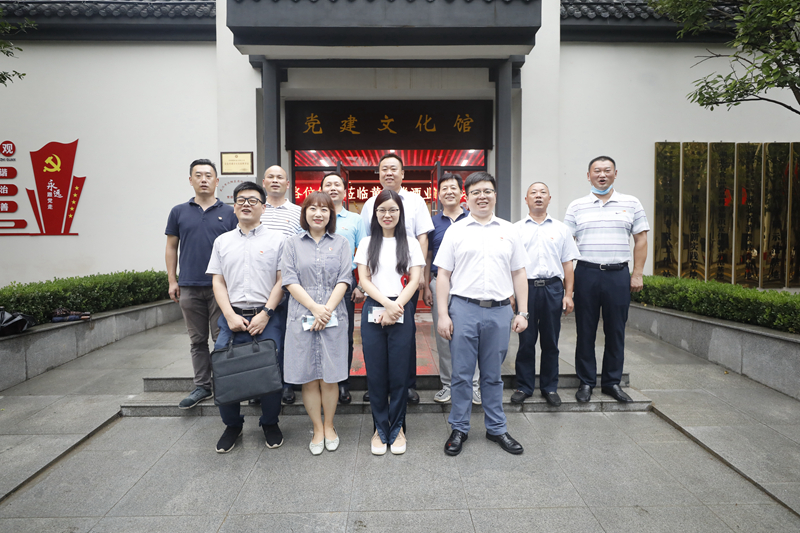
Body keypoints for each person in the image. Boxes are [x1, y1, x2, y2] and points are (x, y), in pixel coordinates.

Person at [435, 171, 529, 456]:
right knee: (462, 374)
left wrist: (523, 312)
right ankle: (459, 427)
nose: (482, 196)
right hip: (463, 309)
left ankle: (496, 428)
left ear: (495, 195)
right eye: (476, 192)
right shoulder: (456, 231)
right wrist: (443, 314)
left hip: (500, 311)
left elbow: (519, 272)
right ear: (467, 197)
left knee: (493, 375)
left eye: (487, 191)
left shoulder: (509, 230)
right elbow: (443, 274)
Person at [206, 181, 286, 453]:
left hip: (267, 317)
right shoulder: (222, 241)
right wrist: (229, 315)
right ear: (234, 206)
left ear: (263, 207)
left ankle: (270, 422)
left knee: (270, 370)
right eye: (241, 200)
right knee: (225, 370)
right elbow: (218, 281)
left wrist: (266, 313)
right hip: (232, 317)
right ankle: (232, 425)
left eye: (253, 200)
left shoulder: (278, 240)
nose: (246, 204)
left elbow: (281, 280)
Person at [564, 156, 649, 403]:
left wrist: (637, 273)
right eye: (597, 171)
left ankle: (612, 382)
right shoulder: (577, 206)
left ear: (615, 173)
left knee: (616, 330)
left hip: (617, 274)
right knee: (585, 330)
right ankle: (586, 382)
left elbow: (641, 239)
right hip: (586, 273)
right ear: (588, 175)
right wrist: (568, 286)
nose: (602, 175)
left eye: (607, 170)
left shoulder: (631, 203)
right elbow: (566, 246)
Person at [355, 190, 425, 455]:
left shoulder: (411, 243)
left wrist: (396, 307)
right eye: (382, 210)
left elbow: (415, 279)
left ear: (400, 213)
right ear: (375, 214)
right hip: (375, 306)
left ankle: (397, 429)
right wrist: (387, 304)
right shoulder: (367, 243)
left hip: (401, 306)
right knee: (376, 374)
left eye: (393, 210)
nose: (387, 215)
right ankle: (379, 429)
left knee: (399, 373)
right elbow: (364, 280)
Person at [281, 191, 352, 455]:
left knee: (330, 377)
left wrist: (327, 310)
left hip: (333, 316)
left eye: (324, 209)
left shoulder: (342, 243)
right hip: (302, 315)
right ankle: (317, 428)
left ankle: (330, 425)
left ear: (331, 214)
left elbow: (345, 279)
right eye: (312, 208)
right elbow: (289, 280)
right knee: (309, 377)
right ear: (305, 213)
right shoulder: (292, 244)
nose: (318, 213)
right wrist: (314, 308)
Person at [360, 154, 434, 404]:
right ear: (379, 174)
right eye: (384, 169)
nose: (389, 173)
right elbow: (367, 239)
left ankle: (407, 385)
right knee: (375, 339)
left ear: (403, 173)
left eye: (394, 169)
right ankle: (377, 386)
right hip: (378, 281)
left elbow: (422, 237)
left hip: (406, 279)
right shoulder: (370, 203)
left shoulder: (415, 200)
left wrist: (419, 274)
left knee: (404, 334)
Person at [165, 159, 237, 410]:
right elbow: (171, 247)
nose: (203, 179)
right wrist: (172, 280)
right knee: (197, 340)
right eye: (198, 175)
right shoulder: (178, 211)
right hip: (189, 286)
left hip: (221, 287)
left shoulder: (230, 213)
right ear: (191, 180)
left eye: (208, 175)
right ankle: (202, 386)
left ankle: (225, 385)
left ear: (217, 181)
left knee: (221, 339)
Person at [510, 182, 580, 407]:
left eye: (542, 193)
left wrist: (568, 294)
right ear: (526, 199)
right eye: (533, 193)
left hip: (552, 288)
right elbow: (510, 265)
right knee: (526, 340)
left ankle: (550, 387)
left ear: (549, 198)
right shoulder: (515, 229)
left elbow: (567, 264)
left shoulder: (561, 229)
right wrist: (511, 294)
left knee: (551, 341)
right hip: (526, 289)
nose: (538, 196)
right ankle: (524, 386)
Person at [421, 173, 480, 405]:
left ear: (461, 192)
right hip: (439, 282)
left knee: (471, 335)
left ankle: (474, 385)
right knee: (443, 335)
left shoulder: (473, 219)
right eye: (444, 188)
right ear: (438, 195)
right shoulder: (432, 223)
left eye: (453, 187)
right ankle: (448, 384)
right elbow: (428, 256)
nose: (449, 192)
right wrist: (426, 285)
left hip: (469, 284)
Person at [320, 173, 367, 404]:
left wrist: (361, 286)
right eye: (328, 184)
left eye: (337, 184)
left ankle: (342, 383)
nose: (333, 188)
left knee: (344, 336)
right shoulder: (313, 216)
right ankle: (319, 381)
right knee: (316, 333)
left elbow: (364, 253)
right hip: (315, 285)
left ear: (345, 191)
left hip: (346, 283)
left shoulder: (355, 220)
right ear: (321, 190)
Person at [260, 165, 302, 405]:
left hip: (289, 286)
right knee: (261, 339)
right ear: (264, 182)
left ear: (288, 184)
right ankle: (261, 385)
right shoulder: (256, 209)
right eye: (271, 177)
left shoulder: (298, 212)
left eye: (280, 177)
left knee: (288, 338)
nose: (275, 181)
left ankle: (287, 384)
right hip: (260, 286)